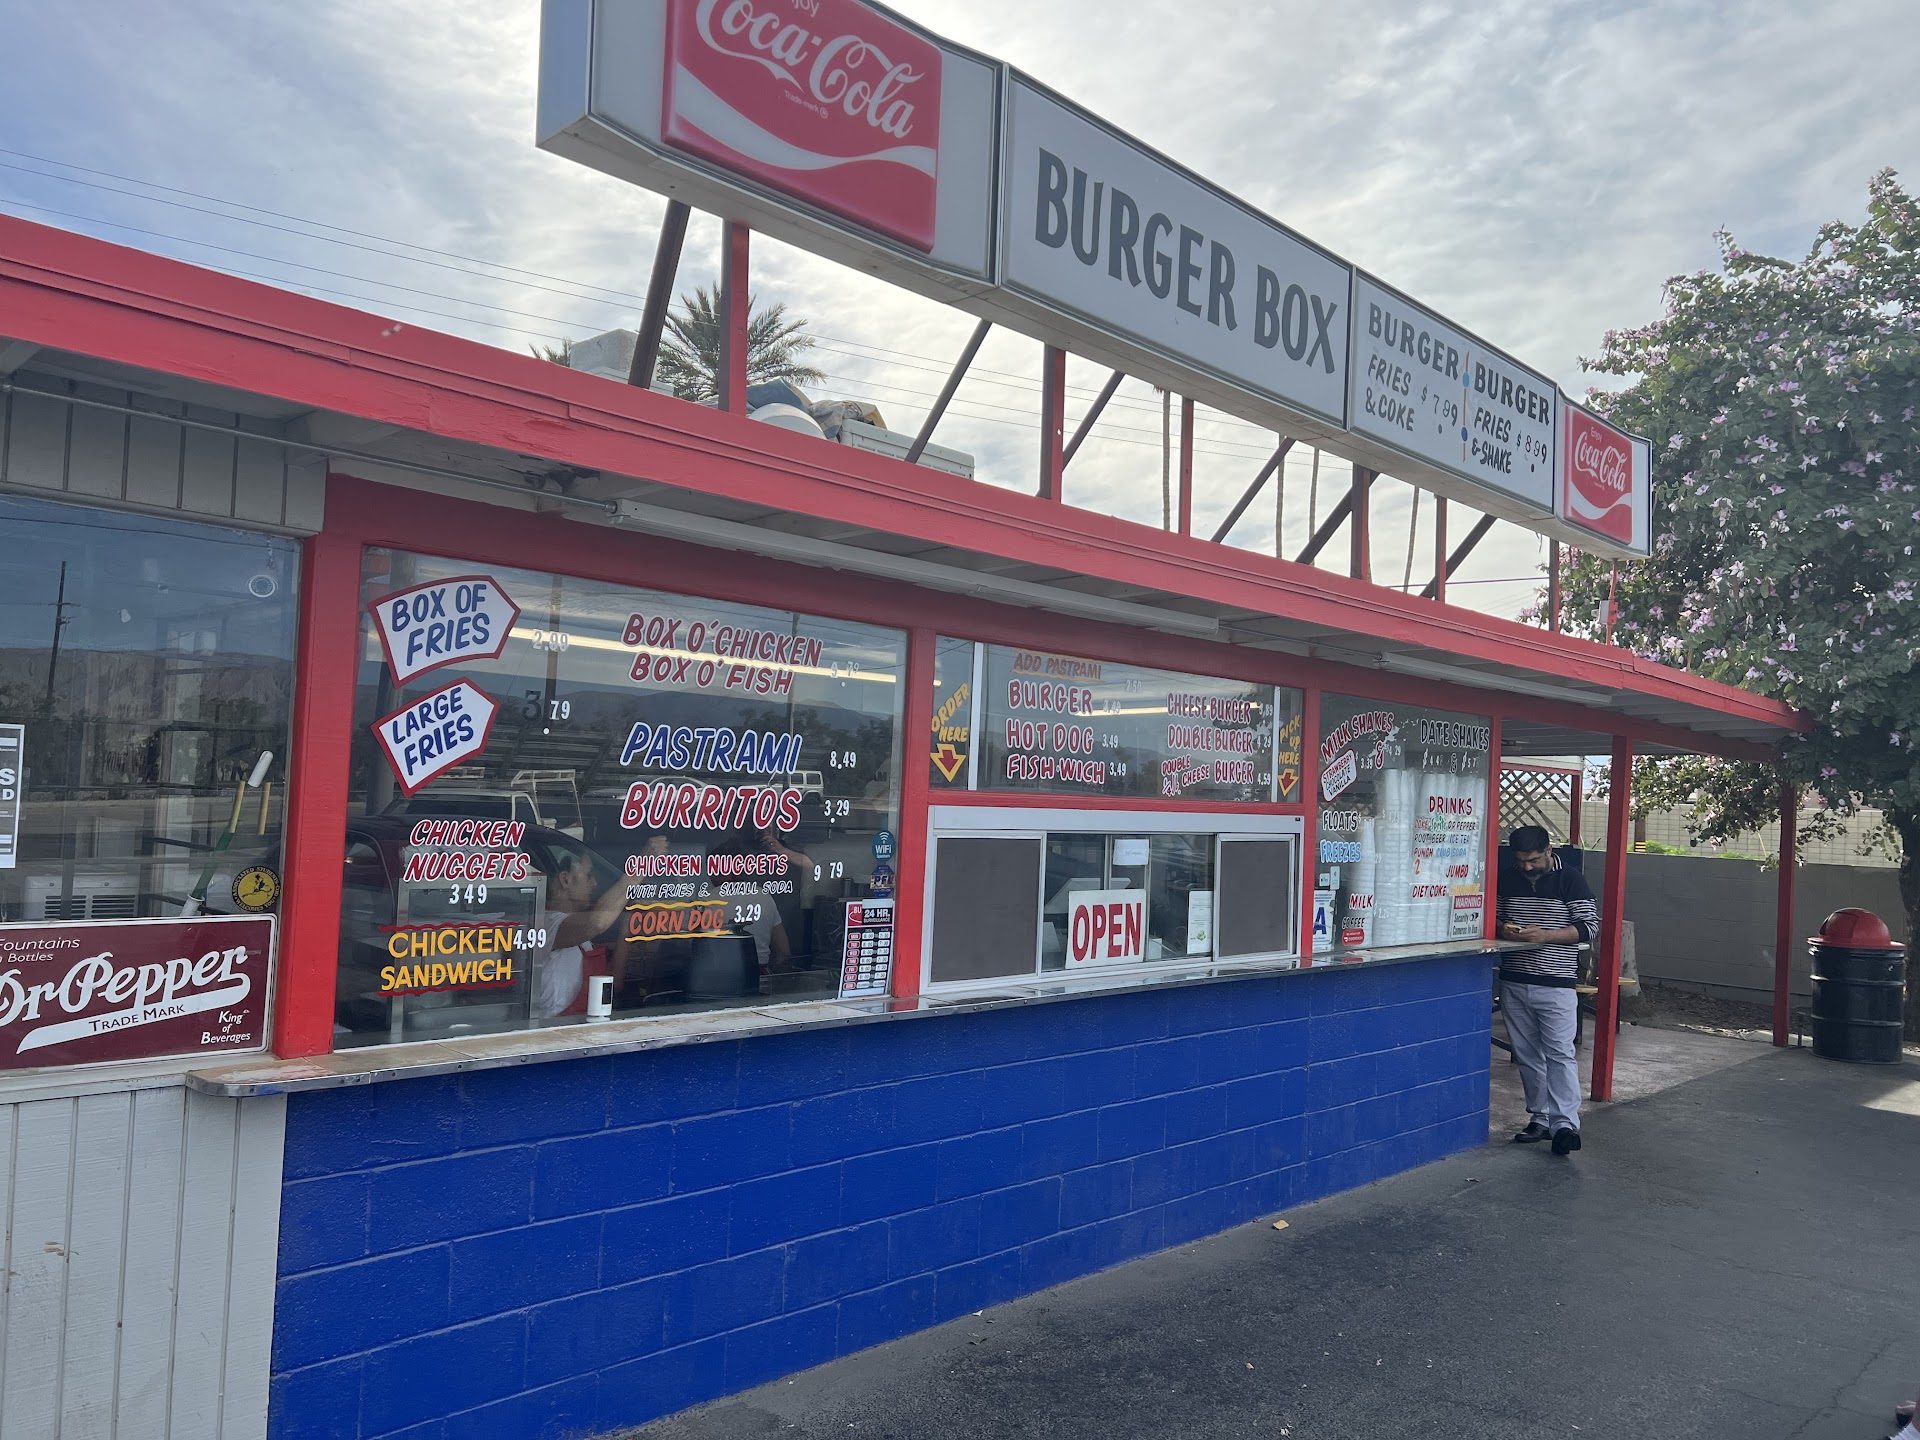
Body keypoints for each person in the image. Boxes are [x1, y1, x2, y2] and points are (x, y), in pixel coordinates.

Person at [1496, 825, 1600, 1156]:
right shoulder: (1507, 877)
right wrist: (1504, 929)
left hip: (1556, 981)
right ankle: (1540, 1118)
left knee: (1559, 1053)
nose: (1527, 867)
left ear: (1549, 850)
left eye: (1533, 860)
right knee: (1526, 1055)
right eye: (1521, 861)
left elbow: (1589, 926)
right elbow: (1492, 916)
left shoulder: (1570, 879)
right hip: (1514, 978)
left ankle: (1565, 1125)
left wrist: (1546, 936)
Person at [531, 850, 628, 1019]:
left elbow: (613, 984)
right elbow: (597, 923)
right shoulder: (546, 923)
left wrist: (627, 926)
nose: (594, 883)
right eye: (588, 875)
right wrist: (634, 876)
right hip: (551, 1028)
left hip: (582, 1024)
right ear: (565, 880)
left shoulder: (581, 935)